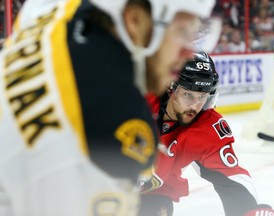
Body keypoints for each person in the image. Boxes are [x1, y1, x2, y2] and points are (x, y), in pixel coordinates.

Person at [0, 0, 217, 215]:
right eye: (181, 32)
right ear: (134, 20)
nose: (188, 53)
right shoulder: (109, 134)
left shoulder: (55, 8)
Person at [140, 51, 274, 216]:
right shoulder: (140, 97)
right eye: (188, 95)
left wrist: (247, 209)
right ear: (170, 87)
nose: (195, 106)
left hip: (153, 194)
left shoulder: (205, 129)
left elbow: (231, 177)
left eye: (202, 96)